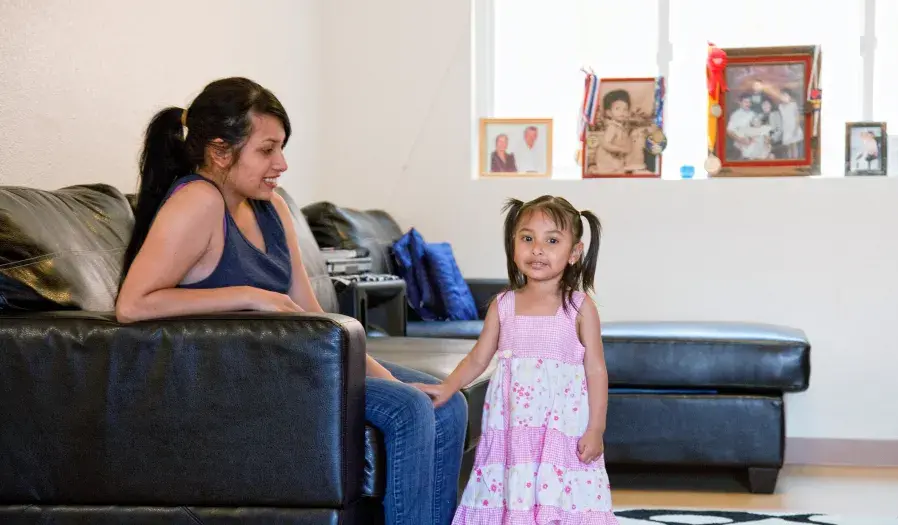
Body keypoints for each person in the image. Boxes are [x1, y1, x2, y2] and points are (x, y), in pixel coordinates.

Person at [114, 77, 467, 525]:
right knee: (409, 408)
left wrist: (377, 372)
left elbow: (314, 316)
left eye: (281, 148)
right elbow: (133, 304)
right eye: (266, 149)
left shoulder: (272, 206)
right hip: (244, 377)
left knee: (445, 402)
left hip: (300, 363)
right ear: (221, 152)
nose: (280, 163)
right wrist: (250, 296)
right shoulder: (198, 201)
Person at [411, 196, 618, 524]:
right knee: (514, 494)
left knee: (560, 497)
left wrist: (596, 427)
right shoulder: (503, 305)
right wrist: (447, 387)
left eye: (551, 240)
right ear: (513, 244)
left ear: (574, 252)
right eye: (527, 238)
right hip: (512, 431)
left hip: (560, 429)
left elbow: (595, 369)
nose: (537, 249)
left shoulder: (579, 308)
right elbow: (479, 357)